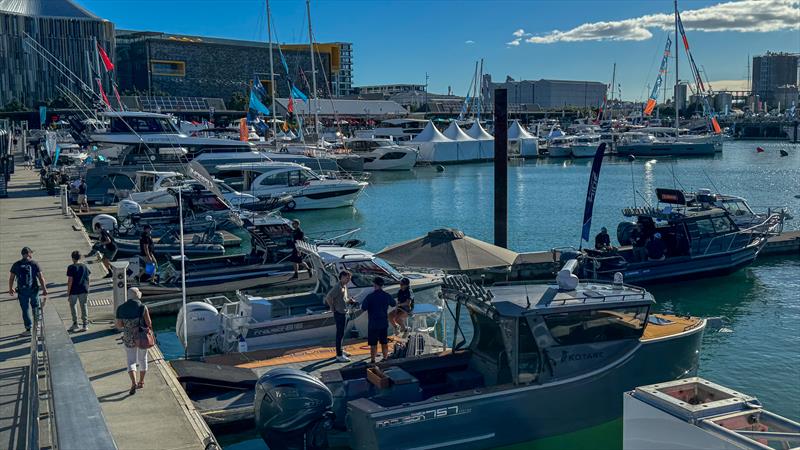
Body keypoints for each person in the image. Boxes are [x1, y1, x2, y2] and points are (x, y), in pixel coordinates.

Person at [115, 287, 152, 395]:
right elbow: (149, 323)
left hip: (128, 337)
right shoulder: (142, 307)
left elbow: (119, 325)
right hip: (142, 337)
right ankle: (141, 382)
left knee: (131, 361)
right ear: (137, 295)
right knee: (143, 359)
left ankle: (133, 382)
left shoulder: (121, 308)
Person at [8, 247, 48, 335]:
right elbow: (41, 278)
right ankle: (37, 326)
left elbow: (11, 278)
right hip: (33, 289)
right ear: (29, 254)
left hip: (22, 291)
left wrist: (10, 288)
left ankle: (28, 329)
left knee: (25, 309)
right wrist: (44, 289)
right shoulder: (34, 264)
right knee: (35, 307)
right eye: (31, 253)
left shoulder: (16, 264)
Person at [360, 277, 396, 364]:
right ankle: (385, 358)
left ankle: (373, 360)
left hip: (373, 324)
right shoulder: (387, 295)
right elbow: (394, 304)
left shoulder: (370, 296)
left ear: (374, 285)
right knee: (384, 342)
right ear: (382, 285)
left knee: (373, 344)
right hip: (383, 322)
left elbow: (363, 308)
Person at [325, 270, 357, 362]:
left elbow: (344, 298)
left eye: (349, 278)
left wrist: (350, 300)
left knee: (342, 333)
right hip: (339, 313)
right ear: (342, 277)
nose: (348, 280)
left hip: (344, 312)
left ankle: (341, 350)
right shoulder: (338, 287)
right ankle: (339, 355)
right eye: (347, 278)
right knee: (339, 334)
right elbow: (328, 297)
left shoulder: (344, 286)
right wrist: (332, 307)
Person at [66, 251, 91, 332]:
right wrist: (88, 287)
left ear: (72, 258)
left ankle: (75, 323)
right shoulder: (84, 266)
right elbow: (88, 278)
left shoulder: (71, 267)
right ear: (80, 258)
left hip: (73, 290)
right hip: (83, 289)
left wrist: (68, 292)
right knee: (84, 305)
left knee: (73, 306)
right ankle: (85, 324)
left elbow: (70, 280)